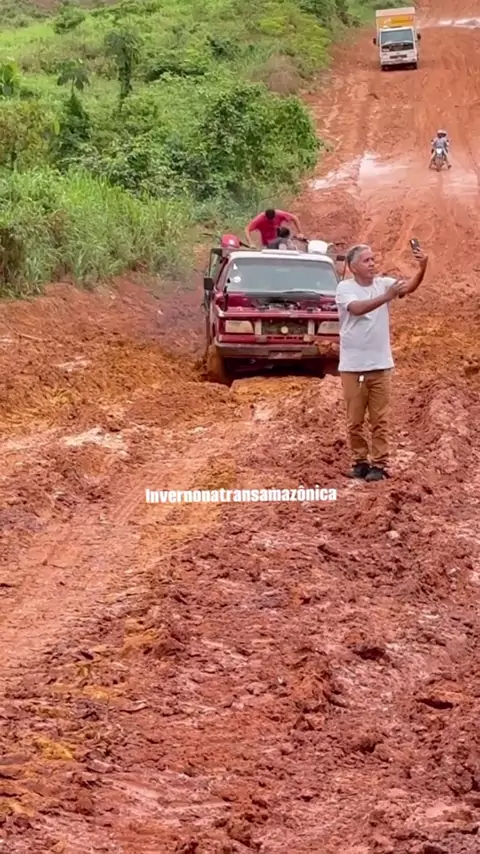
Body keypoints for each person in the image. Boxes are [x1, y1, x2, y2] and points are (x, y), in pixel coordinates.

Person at [335, 242, 428, 482]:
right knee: (355, 420)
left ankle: (379, 463)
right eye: (366, 260)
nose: (372, 264)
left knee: (380, 420)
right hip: (353, 366)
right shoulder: (345, 288)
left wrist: (422, 267)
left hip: (380, 364)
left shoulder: (384, 283)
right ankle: (360, 461)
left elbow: (409, 287)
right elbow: (357, 309)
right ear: (353, 267)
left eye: (373, 259)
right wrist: (386, 296)